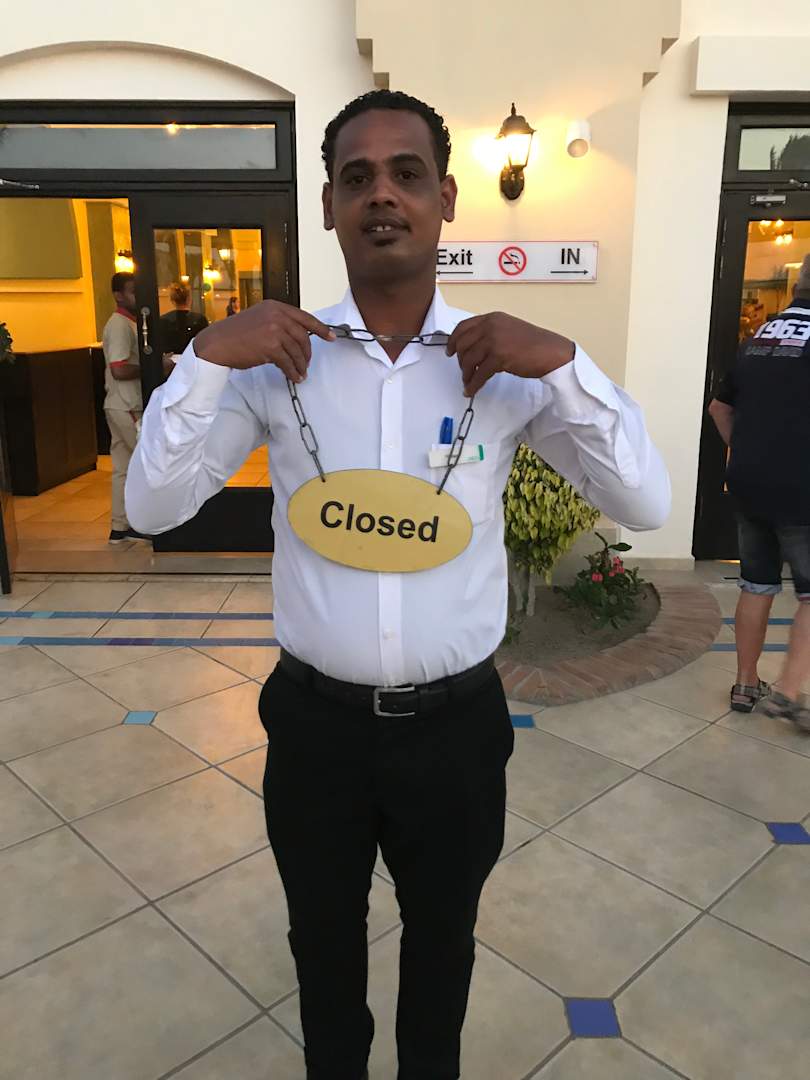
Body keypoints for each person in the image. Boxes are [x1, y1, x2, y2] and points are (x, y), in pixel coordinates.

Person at [126, 90, 670, 1080]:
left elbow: (645, 502)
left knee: (444, 949)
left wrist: (565, 364)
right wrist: (202, 359)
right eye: (358, 177)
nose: (383, 195)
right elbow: (154, 508)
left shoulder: (503, 365)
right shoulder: (276, 360)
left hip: (455, 732)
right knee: (322, 951)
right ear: (329, 206)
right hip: (316, 730)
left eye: (407, 174)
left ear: (446, 199)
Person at [709, 253, 810, 727]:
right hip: (802, 488)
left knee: (756, 583)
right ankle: (788, 692)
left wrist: (746, 452)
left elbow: (719, 408)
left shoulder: (759, 339)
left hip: (748, 483)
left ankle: (746, 683)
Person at [101, 272, 150, 544]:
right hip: (127, 404)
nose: (137, 296)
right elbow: (119, 369)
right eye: (132, 291)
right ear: (118, 295)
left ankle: (120, 526)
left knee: (123, 466)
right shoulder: (119, 325)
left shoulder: (128, 323)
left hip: (119, 404)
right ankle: (140, 522)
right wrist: (152, 367)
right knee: (143, 464)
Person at [159, 282, 209, 355]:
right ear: (189, 299)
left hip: (171, 358)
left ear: (172, 300)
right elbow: (205, 343)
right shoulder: (199, 319)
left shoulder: (164, 320)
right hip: (193, 357)